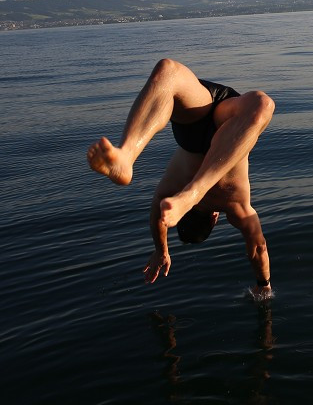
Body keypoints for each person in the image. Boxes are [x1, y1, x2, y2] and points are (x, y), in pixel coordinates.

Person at [87, 58, 275, 296]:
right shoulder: (172, 191)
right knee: (169, 74)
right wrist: (160, 250)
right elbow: (157, 215)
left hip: (213, 123)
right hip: (217, 128)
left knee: (260, 104)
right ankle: (189, 190)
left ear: (214, 219)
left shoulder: (236, 207)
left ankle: (126, 155)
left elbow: (259, 248)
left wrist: (263, 284)